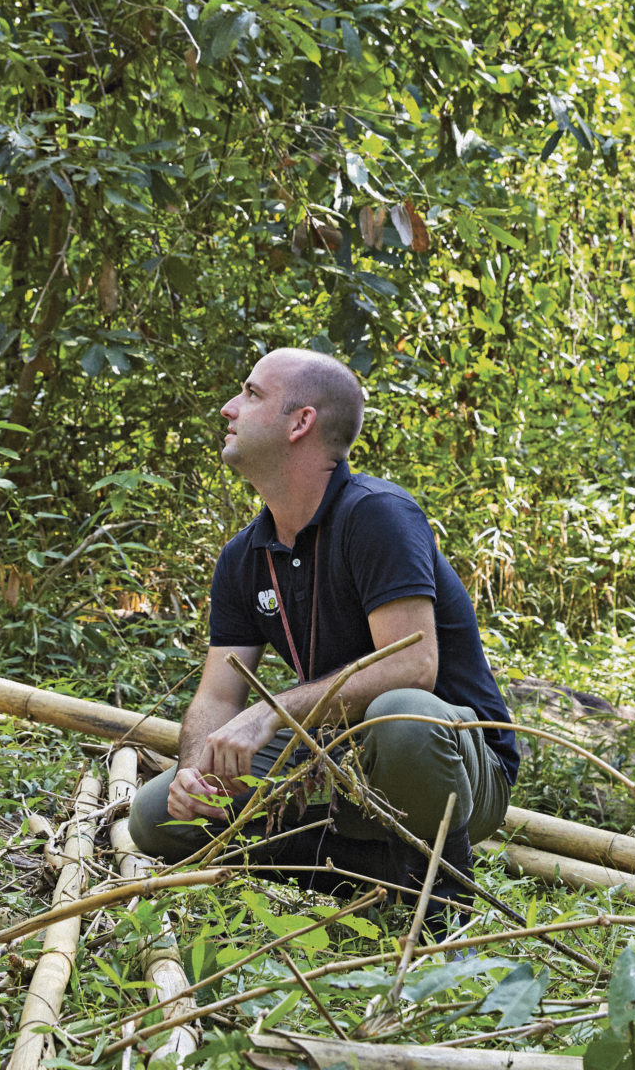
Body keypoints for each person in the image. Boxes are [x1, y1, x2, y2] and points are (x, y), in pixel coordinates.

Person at [129, 347, 519, 906]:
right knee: (156, 820)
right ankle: (370, 868)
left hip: (455, 764)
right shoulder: (245, 556)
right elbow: (217, 695)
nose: (228, 408)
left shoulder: (378, 514)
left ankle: (439, 903)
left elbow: (414, 665)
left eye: (251, 393)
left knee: (398, 715)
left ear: (301, 422)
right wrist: (196, 774)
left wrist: (268, 713)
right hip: (334, 760)